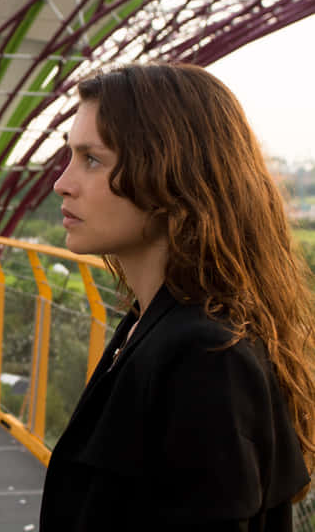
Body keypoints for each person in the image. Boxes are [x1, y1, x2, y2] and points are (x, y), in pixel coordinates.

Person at [41, 63, 314, 531]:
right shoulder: (149, 325)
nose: (61, 183)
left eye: (92, 160)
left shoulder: (205, 357)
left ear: (168, 176)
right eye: (70, 156)